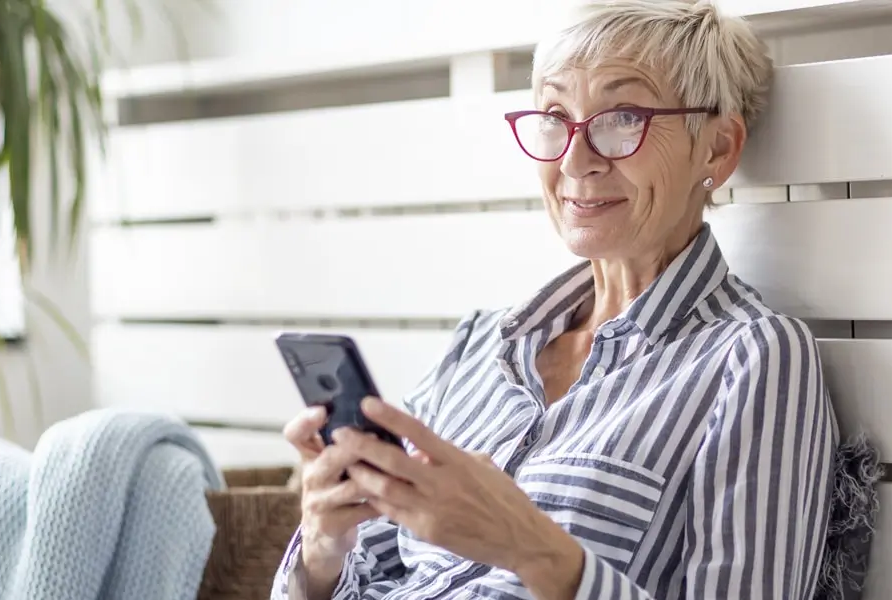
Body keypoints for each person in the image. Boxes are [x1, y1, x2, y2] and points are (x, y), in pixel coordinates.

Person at [272, 1, 841, 598]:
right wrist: (322, 551)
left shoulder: (750, 357)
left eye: (622, 118)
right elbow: (376, 573)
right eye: (554, 115)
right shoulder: (481, 346)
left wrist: (531, 545)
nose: (575, 161)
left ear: (718, 149)